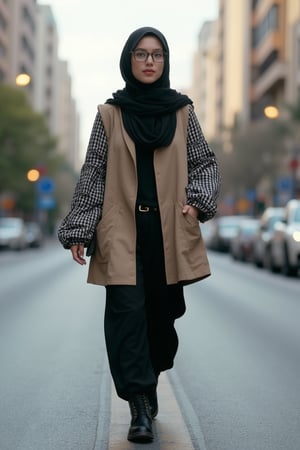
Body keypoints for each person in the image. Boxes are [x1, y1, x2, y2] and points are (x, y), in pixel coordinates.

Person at [58, 26, 220, 443]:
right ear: (129, 60)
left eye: (157, 54)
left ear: (164, 62)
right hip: (122, 233)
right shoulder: (110, 114)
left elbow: (204, 163)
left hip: (167, 232)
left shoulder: (182, 112)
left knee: (161, 324)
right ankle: (140, 406)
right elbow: (94, 171)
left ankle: (149, 379)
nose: (150, 61)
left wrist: (197, 201)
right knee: (127, 318)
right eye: (141, 54)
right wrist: (79, 226)